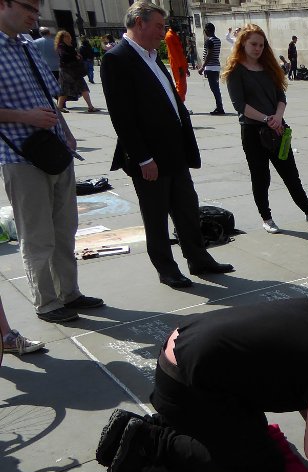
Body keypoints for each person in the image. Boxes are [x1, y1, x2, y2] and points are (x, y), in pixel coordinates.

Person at [96, 298, 308, 472]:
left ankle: (149, 425)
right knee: (264, 466)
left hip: (180, 355)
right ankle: (151, 443)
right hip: (187, 386)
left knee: (252, 431)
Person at [102, 1, 234, 290]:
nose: (163, 33)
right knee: (156, 216)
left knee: (187, 208)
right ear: (140, 24)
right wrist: (142, 158)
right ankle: (166, 268)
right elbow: (122, 117)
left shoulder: (151, 55)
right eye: (159, 26)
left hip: (174, 152)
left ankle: (198, 258)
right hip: (150, 157)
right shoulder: (118, 59)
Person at [0, 0, 105, 324]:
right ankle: (46, 302)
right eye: (28, 7)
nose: (34, 14)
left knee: (65, 228)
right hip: (20, 154)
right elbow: (31, 109)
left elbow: (49, 98)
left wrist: (67, 131)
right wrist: (25, 117)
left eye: (37, 8)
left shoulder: (28, 46)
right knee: (38, 235)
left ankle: (69, 292)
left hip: (55, 148)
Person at [223, 24, 308, 234]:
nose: (258, 48)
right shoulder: (235, 71)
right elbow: (240, 106)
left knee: (290, 173)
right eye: (253, 44)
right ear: (243, 43)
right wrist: (266, 118)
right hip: (253, 131)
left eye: (261, 45)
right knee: (261, 176)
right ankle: (266, 217)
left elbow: (281, 96)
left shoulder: (269, 67)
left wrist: (277, 117)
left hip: (277, 128)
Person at [55, 30, 98, 113]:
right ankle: (59, 106)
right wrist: (75, 56)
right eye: (66, 37)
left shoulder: (70, 46)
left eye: (69, 36)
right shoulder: (61, 46)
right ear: (61, 38)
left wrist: (77, 56)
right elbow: (64, 56)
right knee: (65, 89)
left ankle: (90, 106)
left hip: (74, 70)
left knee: (83, 87)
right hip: (66, 70)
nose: (69, 38)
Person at [197, 22, 226, 115]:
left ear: (208, 30)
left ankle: (220, 108)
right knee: (216, 88)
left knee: (215, 89)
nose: (204, 31)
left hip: (211, 67)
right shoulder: (217, 40)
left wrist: (202, 67)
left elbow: (209, 55)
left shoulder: (209, 41)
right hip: (215, 66)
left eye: (205, 30)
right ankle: (219, 107)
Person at [164, 25, 188, 102]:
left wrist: (185, 67)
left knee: (183, 87)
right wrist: (180, 67)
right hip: (177, 65)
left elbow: (180, 52)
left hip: (181, 64)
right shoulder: (169, 36)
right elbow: (173, 53)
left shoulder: (174, 35)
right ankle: (180, 106)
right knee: (180, 86)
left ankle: (182, 104)